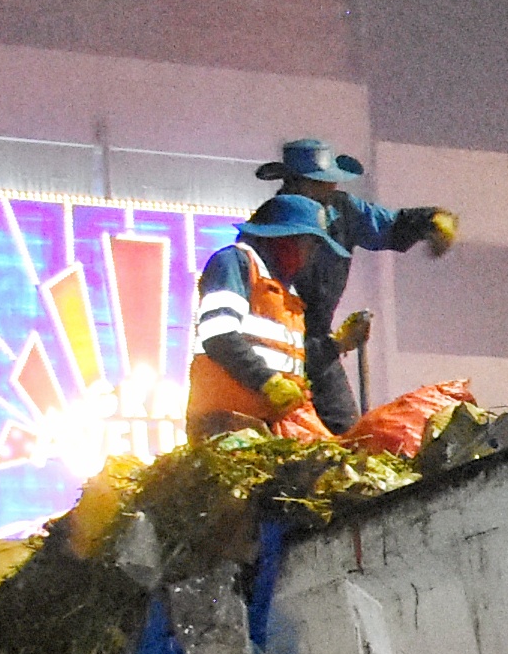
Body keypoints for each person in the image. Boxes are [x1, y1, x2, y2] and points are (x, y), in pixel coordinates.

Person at [256, 137, 456, 427]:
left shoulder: (342, 210)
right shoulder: (270, 224)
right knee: (281, 432)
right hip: (277, 347)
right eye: (320, 182)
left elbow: (388, 225)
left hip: (319, 345)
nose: (331, 187)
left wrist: (430, 222)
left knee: (345, 431)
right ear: (294, 183)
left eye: (331, 181)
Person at [186, 194, 342, 442]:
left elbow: (284, 359)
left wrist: (337, 346)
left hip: (269, 427)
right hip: (225, 424)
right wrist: (267, 381)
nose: (313, 255)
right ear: (285, 240)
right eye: (311, 244)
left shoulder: (286, 291)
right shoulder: (235, 263)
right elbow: (218, 334)